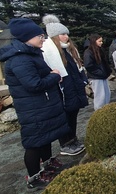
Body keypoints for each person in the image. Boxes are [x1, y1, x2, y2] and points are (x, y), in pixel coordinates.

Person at [0, 18, 69, 191]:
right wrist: (54, 75)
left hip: (41, 106)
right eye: (40, 36)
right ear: (27, 38)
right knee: (34, 143)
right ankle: (34, 177)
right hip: (33, 109)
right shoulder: (20, 59)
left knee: (46, 137)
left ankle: (47, 164)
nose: (43, 39)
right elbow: (33, 84)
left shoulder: (31, 53)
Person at [41, 14, 88, 156]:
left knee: (73, 115)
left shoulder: (68, 49)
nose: (66, 37)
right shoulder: (49, 51)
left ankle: (73, 139)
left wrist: (82, 80)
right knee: (65, 117)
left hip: (74, 88)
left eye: (66, 34)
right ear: (55, 36)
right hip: (63, 90)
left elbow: (76, 67)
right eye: (62, 34)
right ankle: (66, 144)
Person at [83, 34, 112, 110]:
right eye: (99, 41)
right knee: (100, 97)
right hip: (96, 78)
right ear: (94, 41)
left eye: (101, 41)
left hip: (103, 76)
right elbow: (89, 65)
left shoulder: (100, 50)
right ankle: (99, 113)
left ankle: (106, 110)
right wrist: (100, 72)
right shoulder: (88, 52)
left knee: (106, 94)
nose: (101, 43)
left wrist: (107, 71)